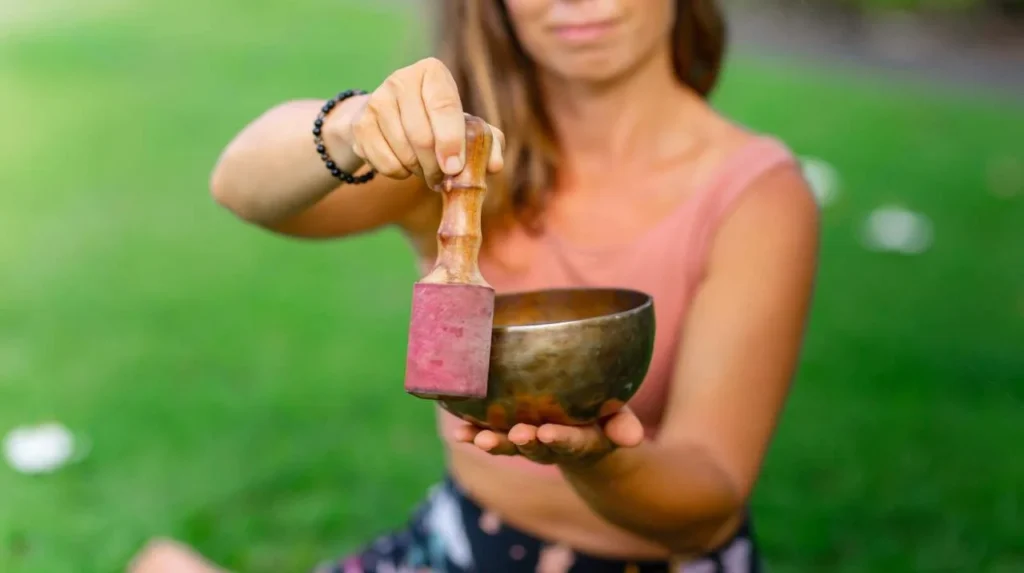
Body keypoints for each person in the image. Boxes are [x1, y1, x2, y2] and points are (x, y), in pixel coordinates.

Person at [131, 0, 819, 571]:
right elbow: (240, 184)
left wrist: (595, 460)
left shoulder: (756, 196)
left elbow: (710, 503)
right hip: (464, 543)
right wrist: (352, 126)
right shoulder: (462, 160)